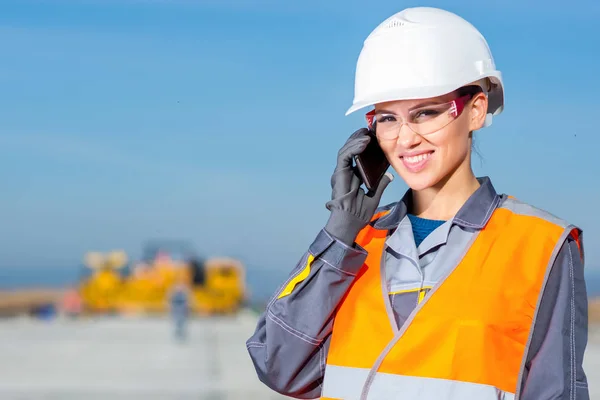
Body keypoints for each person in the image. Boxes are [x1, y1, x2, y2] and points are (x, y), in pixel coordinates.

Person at [246, 7, 589, 400]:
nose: (405, 139)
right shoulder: (358, 243)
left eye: (425, 113)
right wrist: (338, 233)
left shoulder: (540, 246)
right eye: (388, 118)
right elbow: (276, 364)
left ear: (476, 110)